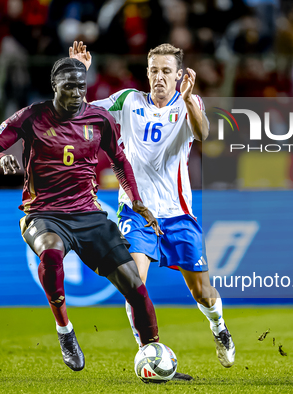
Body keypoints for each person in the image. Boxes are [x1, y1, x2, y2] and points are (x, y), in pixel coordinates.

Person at [0, 58, 162, 372]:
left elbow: (120, 162)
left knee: (135, 284)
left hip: (89, 215)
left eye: (81, 85)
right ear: (54, 87)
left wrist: (137, 199)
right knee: (50, 252)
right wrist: (0, 159)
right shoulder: (32, 116)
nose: (77, 92)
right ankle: (65, 331)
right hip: (43, 213)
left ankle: (154, 351)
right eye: (69, 86)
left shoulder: (99, 119)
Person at [70, 42, 235, 368]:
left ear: (179, 76)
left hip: (178, 215)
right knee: (135, 282)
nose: (159, 77)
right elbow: (82, 111)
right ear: (147, 73)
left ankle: (219, 328)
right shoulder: (128, 101)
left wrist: (188, 98)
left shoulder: (190, 103)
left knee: (202, 292)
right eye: (154, 71)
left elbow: (203, 133)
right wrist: (79, 75)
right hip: (136, 211)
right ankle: (148, 349)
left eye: (166, 72)